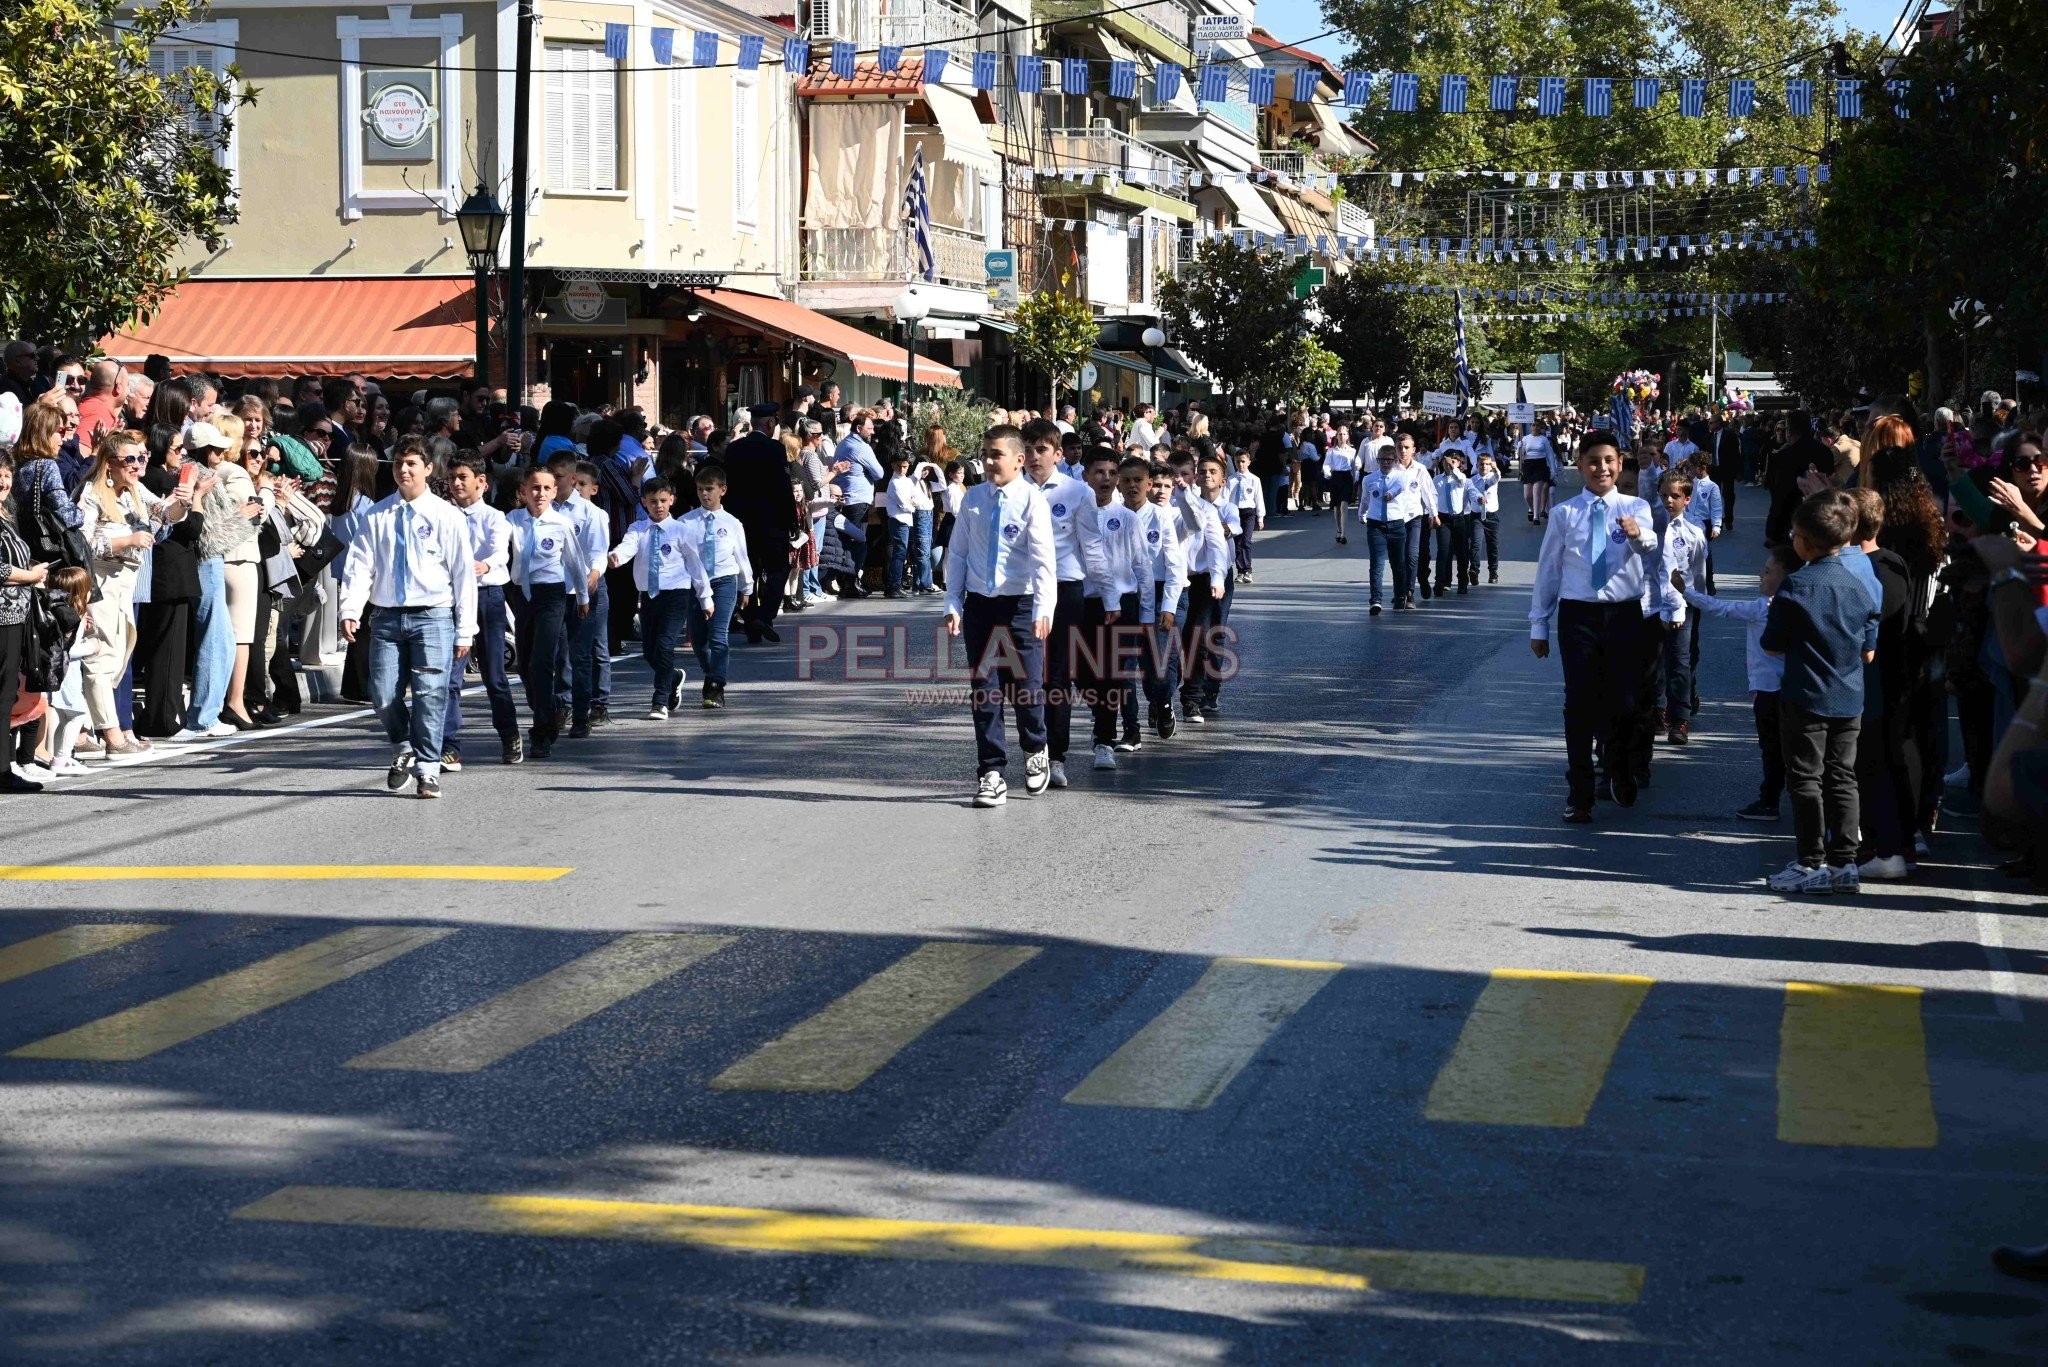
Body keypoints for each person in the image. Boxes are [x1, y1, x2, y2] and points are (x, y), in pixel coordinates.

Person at [1529, 430, 1660, 822]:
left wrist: (1639, 534)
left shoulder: (1636, 506)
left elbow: (1649, 546)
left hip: (1623, 614)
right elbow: (1549, 570)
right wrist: (1539, 624)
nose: (1601, 468)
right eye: (1592, 461)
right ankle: (1580, 791)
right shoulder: (1565, 513)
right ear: (1581, 465)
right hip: (1579, 616)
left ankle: (1618, 769)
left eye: (1608, 461)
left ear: (1619, 464)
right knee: (1580, 704)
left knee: (1625, 701)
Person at [338, 444, 478, 799]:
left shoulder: (446, 516)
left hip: (432, 616)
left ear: (428, 469)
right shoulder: (377, 515)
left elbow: (463, 575)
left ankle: (429, 769)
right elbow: (359, 565)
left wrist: (465, 629)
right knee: (382, 693)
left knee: (431, 695)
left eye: (412, 464)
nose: (404, 470)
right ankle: (404, 746)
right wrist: (350, 609)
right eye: (399, 463)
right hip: (386, 616)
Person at [1758, 490, 1881, 893]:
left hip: (1806, 694)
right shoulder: (1862, 582)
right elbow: (1868, 650)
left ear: (1805, 540)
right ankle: (1845, 862)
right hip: (1849, 696)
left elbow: (1772, 644)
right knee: (1843, 776)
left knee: (1806, 778)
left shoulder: (1796, 586)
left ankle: (1811, 862)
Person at [941, 426, 1057, 808]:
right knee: (985, 690)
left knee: (1026, 687)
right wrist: (953, 604)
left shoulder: (1031, 501)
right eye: (986, 454)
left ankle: (1036, 746)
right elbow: (956, 555)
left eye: (997, 455)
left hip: (1021, 607)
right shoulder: (973, 499)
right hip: (981, 608)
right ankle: (991, 772)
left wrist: (1044, 608)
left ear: (1018, 460)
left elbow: (1043, 561)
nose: (989, 462)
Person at [76, 429, 191, 756]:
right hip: (100, 583)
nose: (139, 465)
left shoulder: (134, 491)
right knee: (102, 657)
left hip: (126, 583)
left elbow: (165, 515)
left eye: (142, 458)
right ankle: (112, 737)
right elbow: (81, 545)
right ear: (110, 462)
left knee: (119, 656)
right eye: (131, 459)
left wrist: (182, 501)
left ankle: (89, 730)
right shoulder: (93, 494)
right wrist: (126, 541)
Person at [1681, 546, 1798, 820]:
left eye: (1768, 572)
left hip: (1769, 690)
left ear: (1785, 578)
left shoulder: (1764, 608)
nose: (1760, 575)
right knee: (1786, 747)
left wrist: (1686, 592)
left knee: (1771, 748)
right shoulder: (1793, 605)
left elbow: (1720, 608)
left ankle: (1769, 801)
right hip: (1787, 688)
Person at [610, 477, 713, 719]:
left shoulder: (681, 531)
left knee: (666, 645)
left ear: (672, 501)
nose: (658, 506)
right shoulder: (638, 529)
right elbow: (627, 547)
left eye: (663, 501)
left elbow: (695, 565)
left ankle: (660, 701)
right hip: (648, 595)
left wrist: (705, 597)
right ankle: (673, 676)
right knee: (650, 651)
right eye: (653, 501)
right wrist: (616, 557)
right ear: (644, 502)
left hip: (676, 594)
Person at [444, 454, 524, 766]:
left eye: (463, 477)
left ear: (482, 482)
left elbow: (499, 552)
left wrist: (483, 565)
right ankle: (450, 744)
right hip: (452, 598)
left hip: (487, 594)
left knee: (494, 674)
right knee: (452, 676)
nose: (457, 483)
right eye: (452, 477)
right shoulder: (444, 515)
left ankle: (509, 734)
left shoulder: (495, 517)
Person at [505, 466, 588, 759]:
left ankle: (541, 732)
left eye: (546, 489)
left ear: (555, 492)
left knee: (542, 662)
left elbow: (576, 562)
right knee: (526, 664)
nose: (540, 494)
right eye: (534, 488)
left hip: (551, 594)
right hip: (522, 595)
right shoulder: (513, 520)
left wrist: (582, 595)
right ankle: (547, 706)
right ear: (524, 491)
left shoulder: (561, 524)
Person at [722, 402, 797, 642]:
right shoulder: (774, 449)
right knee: (779, 569)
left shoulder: (734, 449)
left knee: (749, 573)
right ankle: (764, 615)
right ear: (771, 423)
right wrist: (792, 520)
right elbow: (783, 488)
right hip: (771, 521)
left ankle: (753, 621)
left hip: (741, 522)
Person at [0, 452, 53, 791]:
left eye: (6, 476)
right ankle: (2, 771)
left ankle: (4, 768)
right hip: (2, 618)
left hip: (15, 617)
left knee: (6, 693)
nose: (3, 483)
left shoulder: (5, 516)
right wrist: (30, 575)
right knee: (2, 694)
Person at [678, 463, 751, 708]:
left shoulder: (732, 523)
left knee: (719, 635)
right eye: (700, 490)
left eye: (709, 489)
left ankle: (716, 685)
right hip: (696, 585)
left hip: (724, 581)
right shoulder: (687, 522)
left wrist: (747, 586)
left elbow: (741, 555)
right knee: (699, 640)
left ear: (723, 490)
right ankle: (712, 672)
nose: (704, 494)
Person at [1643, 470, 1708, 749]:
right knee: (1653, 659)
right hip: (1651, 604)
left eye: (1675, 496)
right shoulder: (1648, 529)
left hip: (1683, 607)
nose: (1668, 500)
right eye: (1664, 495)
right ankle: (1658, 710)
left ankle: (1680, 716)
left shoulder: (1693, 534)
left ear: (1687, 499)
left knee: (1680, 660)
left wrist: (1696, 603)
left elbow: (1699, 574)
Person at [1471, 451, 1502, 584]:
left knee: (1492, 545)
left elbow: (1497, 476)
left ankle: (1493, 572)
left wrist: (1495, 468)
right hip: (1476, 516)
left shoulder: (1492, 478)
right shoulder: (1472, 480)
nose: (1484, 466)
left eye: (1487, 464)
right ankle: (1474, 570)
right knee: (1475, 543)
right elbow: (1469, 494)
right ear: (1477, 465)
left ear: (1490, 466)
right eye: (1481, 464)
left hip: (1491, 515)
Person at [1324, 425, 1358, 544]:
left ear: (1348, 436)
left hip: (1346, 477)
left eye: (1344, 434)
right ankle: (1338, 530)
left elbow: (1354, 467)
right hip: (1336, 477)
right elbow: (1327, 464)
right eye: (1340, 434)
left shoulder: (1352, 451)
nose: (1342, 436)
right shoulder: (1332, 450)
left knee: (1344, 505)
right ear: (1336, 436)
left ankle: (1343, 533)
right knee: (1337, 506)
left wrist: (1355, 479)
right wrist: (1327, 473)